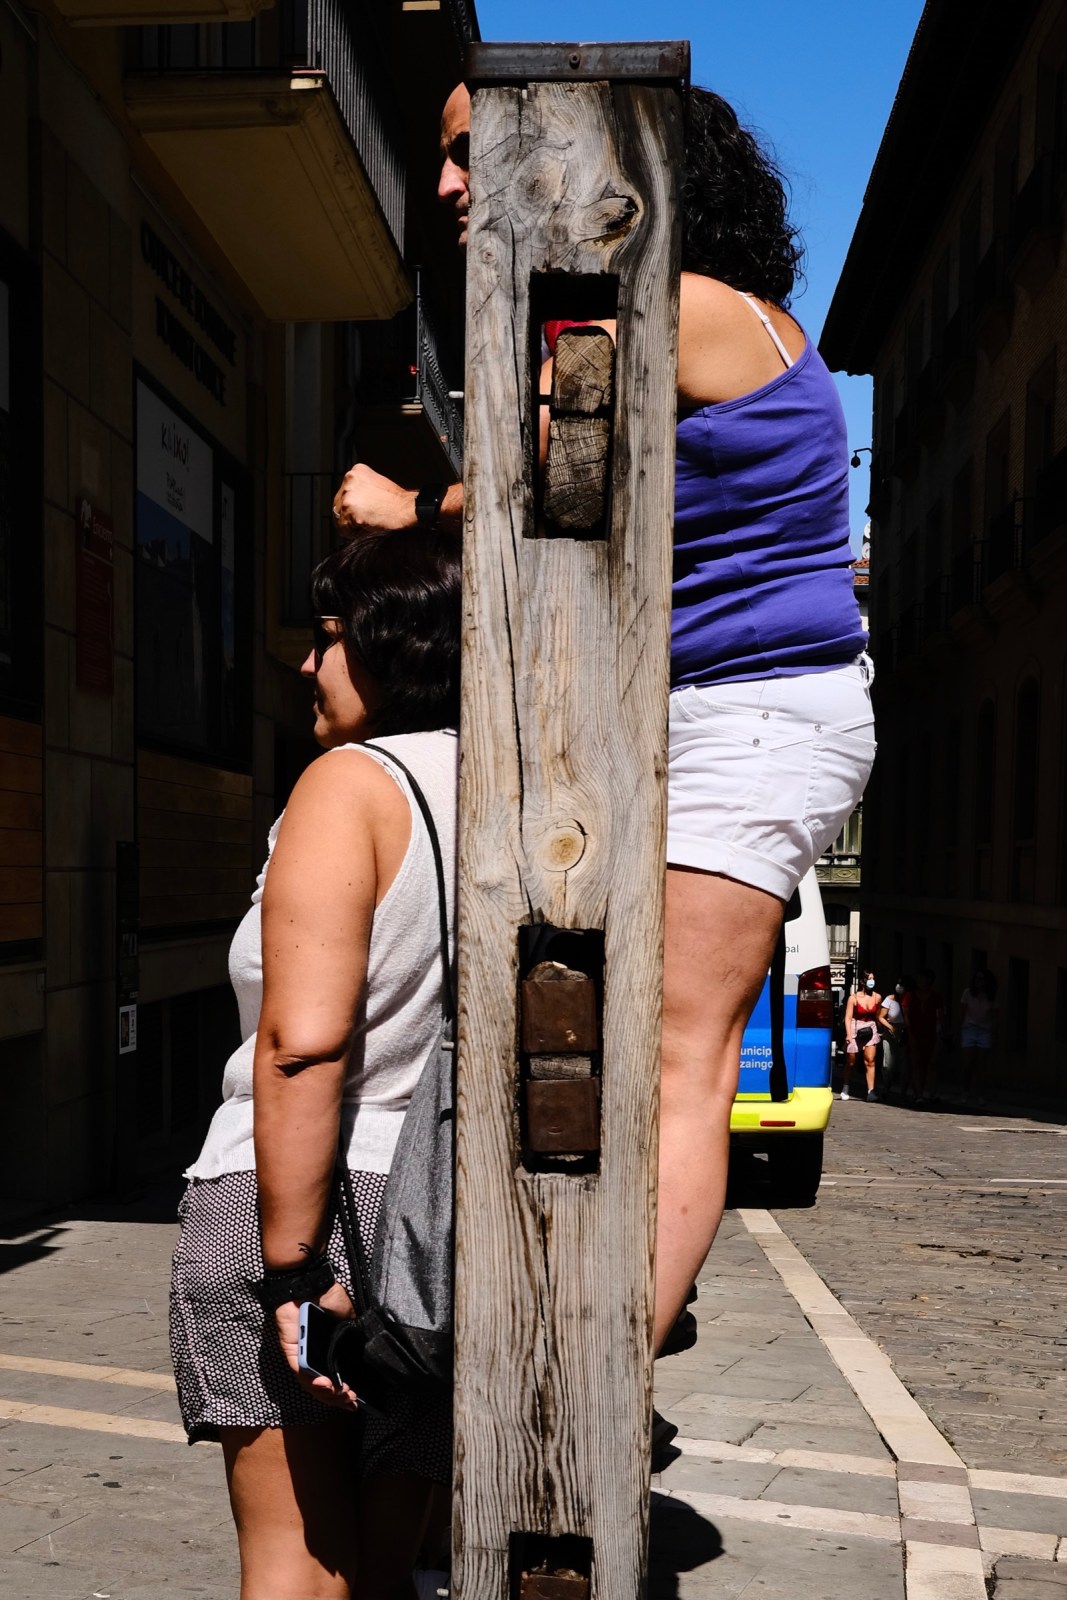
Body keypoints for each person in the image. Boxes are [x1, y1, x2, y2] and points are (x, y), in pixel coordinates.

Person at [333, 83, 875, 1356]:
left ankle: (603, 1345)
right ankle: (577, 1309)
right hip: (688, 712)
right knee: (607, 1037)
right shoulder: (663, 310)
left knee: (676, 1053)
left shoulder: (665, 305)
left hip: (748, 715)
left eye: (473, 152)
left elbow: (541, 474)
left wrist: (408, 511)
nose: (450, 184)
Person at [169, 531, 461, 1600]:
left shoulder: (351, 782)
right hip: (438, 1220)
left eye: (328, 637)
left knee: (296, 1569)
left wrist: (289, 1266)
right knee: (384, 1572)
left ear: (396, 642)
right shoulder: (521, 787)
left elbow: (303, 1043)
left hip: (296, 1196)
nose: (306, 665)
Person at [843, 971, 883, 1101]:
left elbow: (877, 1016)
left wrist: (880, 1030)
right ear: (863, 981)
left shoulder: (877, 997)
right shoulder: (853, 998)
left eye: (873, 978)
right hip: (855, 1027)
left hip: (870, 1028)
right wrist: (848, 1034)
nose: (872, 981)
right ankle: (846, 1086)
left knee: (870, 1060)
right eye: (869, 979)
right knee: (851, 1061)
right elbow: (848, 1017)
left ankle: (871, 1091)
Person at [959, 968, 997, 1104]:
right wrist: (961, 1028)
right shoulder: (968, 993)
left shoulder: (991, 996)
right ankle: (965, 1091)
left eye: (981, 979)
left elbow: (994, 1015)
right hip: (969, 1029)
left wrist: (993, 1031)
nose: (978, 982)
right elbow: (962, 1012)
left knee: (981, 1066)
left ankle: (980, 1094)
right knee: (967, 1064)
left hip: (984, 1031)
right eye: (976, 979)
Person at [907, 967, 944, 1102]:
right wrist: (909, 1032)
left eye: (924, 979)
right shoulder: (910, 996)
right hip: (915, 1033)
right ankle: (919, 1093)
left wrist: (940, 1032)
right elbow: (906, 1015)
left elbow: (940, 1015)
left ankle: (929, 1091)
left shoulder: (936, 997)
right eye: (920, 979)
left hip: (932, 1034)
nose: (921, 982)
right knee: (917, 1063)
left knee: (931, 1064)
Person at [879, 977, 911, 1098]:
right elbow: (881, 1016)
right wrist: (891, 1028)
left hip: (905, 1032)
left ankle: (903, 1092)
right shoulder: (890, 999)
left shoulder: (911, 999)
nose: (900, 987)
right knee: (888, 1064)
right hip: (890, 1033)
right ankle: (886, 1087)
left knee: (905, 1064)